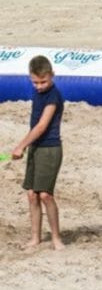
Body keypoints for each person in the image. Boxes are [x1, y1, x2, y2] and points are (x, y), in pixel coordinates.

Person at [10, 54, 65, 250]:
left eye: (43, 81)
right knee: (32, 194)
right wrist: (27, 145)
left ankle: (56, 238)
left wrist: (21, 146)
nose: (39, 86)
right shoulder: (37, 92)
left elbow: (42, 126)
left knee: (45, 195)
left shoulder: (53, 95)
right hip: (36, 147)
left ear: (52, 75)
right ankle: (35, 237)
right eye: (35, 82)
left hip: (50, 149)